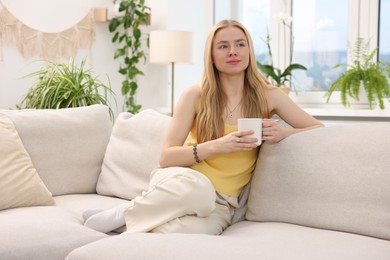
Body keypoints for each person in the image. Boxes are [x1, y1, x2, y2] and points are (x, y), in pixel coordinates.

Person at [83, 19, 324, 235]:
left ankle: (127, 220)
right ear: (211, 55)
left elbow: (318, 129)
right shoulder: (195, 95)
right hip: (182, 180)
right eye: (223, 46)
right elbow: (166, 157)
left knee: (192, 232)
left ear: (249, 51)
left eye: (240, 44)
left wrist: (284, 132)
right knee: (199, 191)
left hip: (222, 202)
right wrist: (217, 146)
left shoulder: (269, 96)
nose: (233, 51)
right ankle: (118, 216)